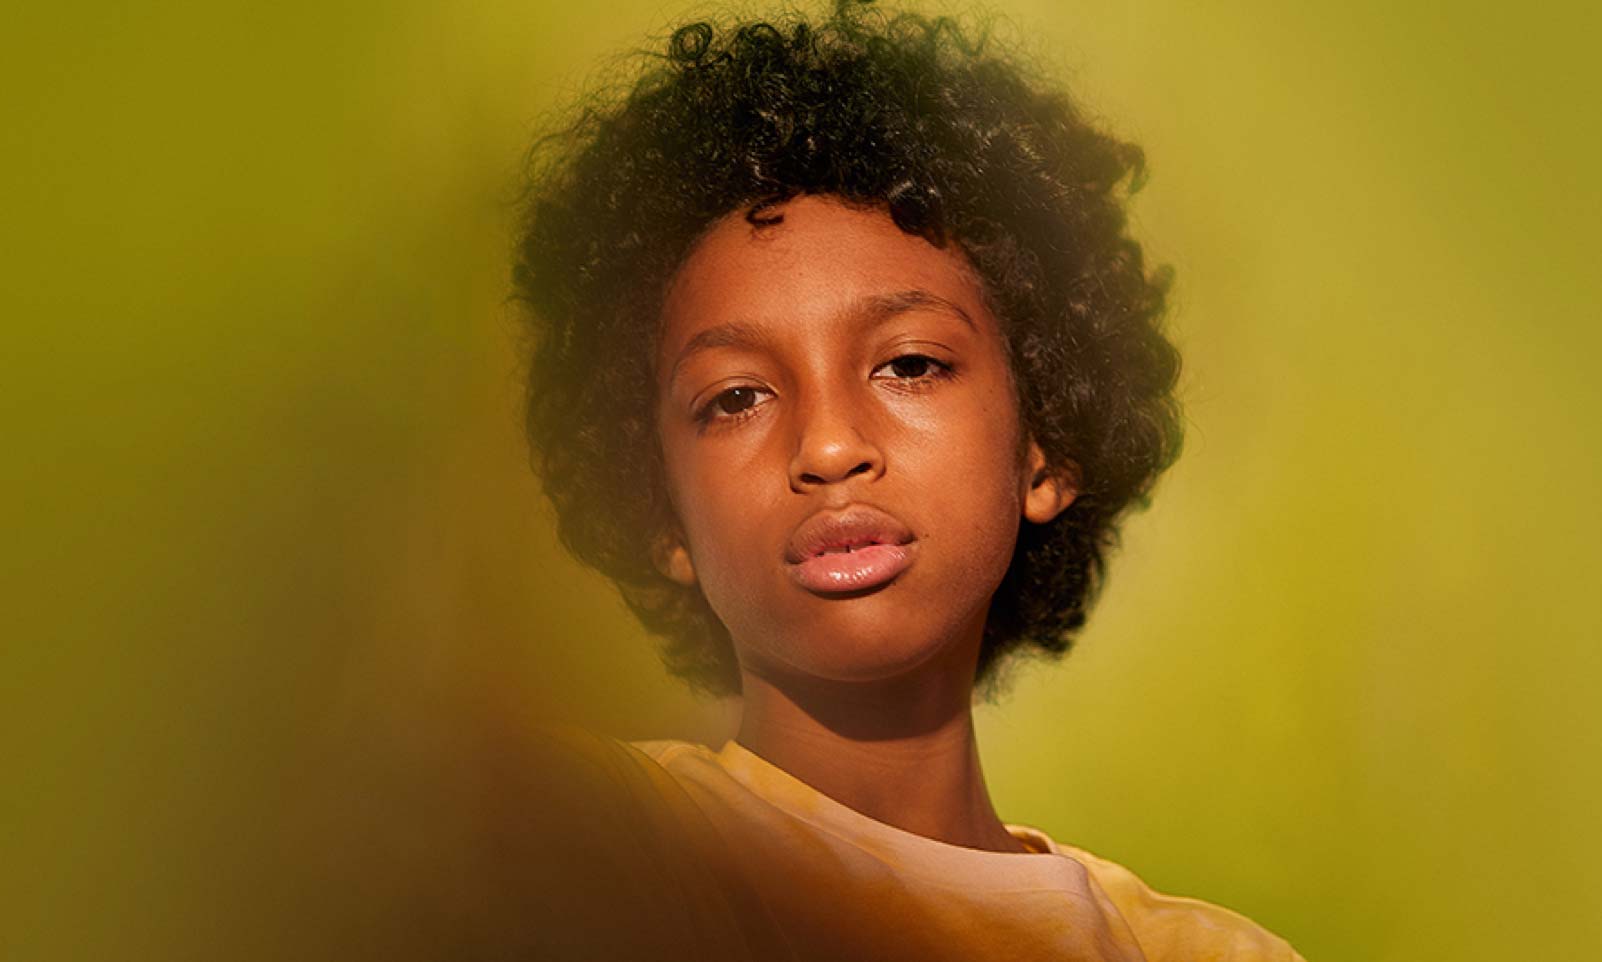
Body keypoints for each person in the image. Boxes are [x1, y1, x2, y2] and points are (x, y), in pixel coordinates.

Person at [511, 3, 1306, 959]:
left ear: (1044, 448)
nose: (831, 446)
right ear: (661, 515)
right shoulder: (573, 850)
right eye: (735, 399)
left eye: (911, 365)